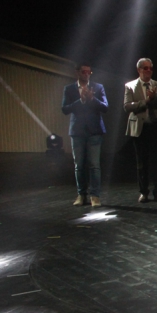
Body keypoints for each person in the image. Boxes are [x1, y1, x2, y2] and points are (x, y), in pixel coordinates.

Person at [61, 62, 108, 207]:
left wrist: (92, 99)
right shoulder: (69, 89)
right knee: (79, 165)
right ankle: (81, 194)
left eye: (89, 72)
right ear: (77, 72)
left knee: (94, 165)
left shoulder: (98, 87)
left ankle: (95, 196)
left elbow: (105, 107)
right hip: (77, 131)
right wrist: (80, 101)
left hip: (94, 131)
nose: (87, 74)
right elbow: (65, 109)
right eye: (84, 72)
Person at [124, 58, 157, 203]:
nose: (149, 70)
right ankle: (143, 192)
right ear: (139, 70)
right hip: (140, 128)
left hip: (156, 128)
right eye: (145, 68)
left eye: (150, 68)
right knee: (141, 162)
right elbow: (127, 106)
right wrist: (146, 102)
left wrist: (154, 99)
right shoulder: (130, 86)